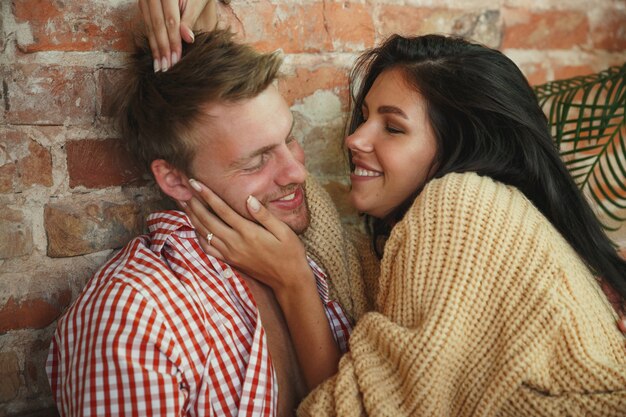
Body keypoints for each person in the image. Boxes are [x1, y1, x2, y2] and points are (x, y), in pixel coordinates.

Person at [183, 33, 626, 415]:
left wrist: (294, 281)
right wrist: (193, 32)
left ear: (458, 147)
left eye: (392, 128)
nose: (355, 138)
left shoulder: (459, 204)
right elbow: (318, 220)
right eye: (365, 116)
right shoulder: (399, 242)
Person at [45, 21, 369, 417]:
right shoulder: (134, 314)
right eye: (257, 160)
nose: (297, 173)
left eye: (289, 139)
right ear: (176, 180)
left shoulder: (314, 258)